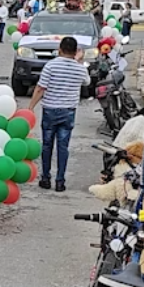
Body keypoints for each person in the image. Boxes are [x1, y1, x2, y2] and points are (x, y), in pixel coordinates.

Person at [28, 36, 90, 192]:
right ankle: (60, 181)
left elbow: (41, 88)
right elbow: (87, 82)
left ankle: (45, 178)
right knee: (63, 147)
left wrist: (30, 107)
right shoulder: (79, 68)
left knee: (47, 145)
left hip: (50, 109)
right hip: (68, 111)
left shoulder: (51, 66)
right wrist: (80, 61)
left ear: (60, 49)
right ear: (76, 51)